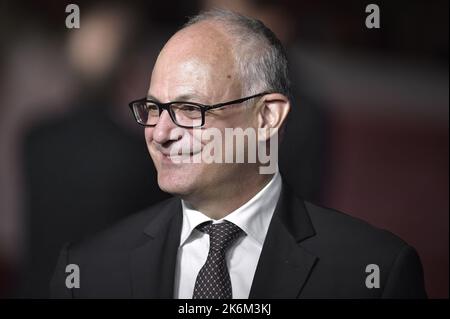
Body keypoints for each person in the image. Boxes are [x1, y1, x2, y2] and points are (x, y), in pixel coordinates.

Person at [51, 9, 426, 299]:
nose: (160, 133)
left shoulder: (373, 272)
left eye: (189, 109)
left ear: (267, 117)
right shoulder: (87, 271)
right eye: (152, 109)